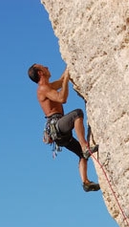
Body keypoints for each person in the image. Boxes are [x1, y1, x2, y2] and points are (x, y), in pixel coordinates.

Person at [28, 63, 100, 192]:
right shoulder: (43, 88)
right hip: (56, 125)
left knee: (81, 155)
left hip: (59, 132)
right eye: (44, 67)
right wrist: (66, 78)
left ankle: (85, 182)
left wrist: (69, 67)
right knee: (77, 114)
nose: (48, 67)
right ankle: (85, 146)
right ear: (40, 72)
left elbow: (61, 81)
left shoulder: (47, 87)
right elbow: (62, 98)